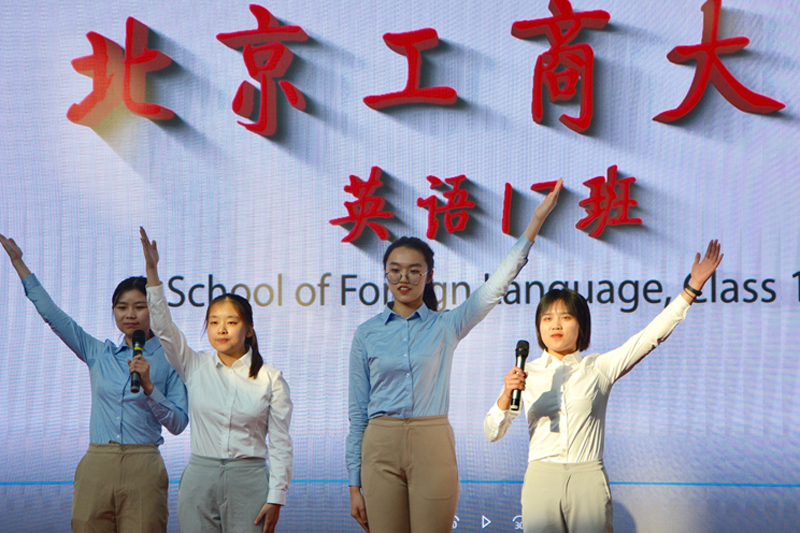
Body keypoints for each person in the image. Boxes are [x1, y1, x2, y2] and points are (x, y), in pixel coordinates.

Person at [346, 179, 564, 533]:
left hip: (432, 443)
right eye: (395, 270)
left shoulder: (446, 325)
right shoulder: (366, 334)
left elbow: (493, 289)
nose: (404, 278)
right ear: (385, 274)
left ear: (429, 276)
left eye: (414, 270)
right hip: (379, 446)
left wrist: (535, 222)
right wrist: (354, 484)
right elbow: (357, 415)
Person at [484, 240, 724, 533]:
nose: (555, 325)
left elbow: (649, 337)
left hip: (587, 477)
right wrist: (505, 395)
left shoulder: (599, 367)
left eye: (565, 317)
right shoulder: (525, 373)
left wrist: (691, 289)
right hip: (540, 479)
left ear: (581, 325)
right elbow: (492, 432)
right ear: (539, 328)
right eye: (547, 319)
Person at [0, 234, 189, 533]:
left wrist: (151, 389)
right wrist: (18, 263)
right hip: (97, 463)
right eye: (121, 307)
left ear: (153, 310)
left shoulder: (171, 358)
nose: (130, 314)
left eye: (140, 307)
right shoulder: (99, 353)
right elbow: (53, 316)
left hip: (144, 465)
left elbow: (178, 423)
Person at [139, 227, 293, 533]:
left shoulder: (270, 378)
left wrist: (277, 496)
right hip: (200, 478)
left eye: (231, 322)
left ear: (249, 329)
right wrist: (152, 271)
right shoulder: (194, 365)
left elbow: (280, 442)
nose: (221, 329)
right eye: (214, 322)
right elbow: (163, 327)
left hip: (249, 479)